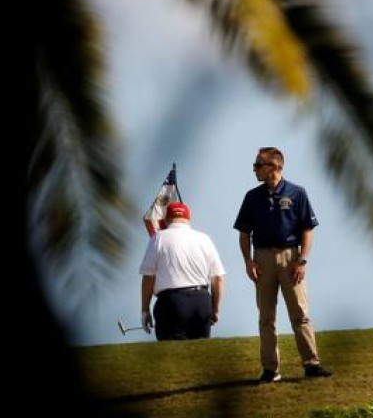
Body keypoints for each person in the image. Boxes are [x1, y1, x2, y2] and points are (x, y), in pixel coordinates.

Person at [233, 146, 333, 383]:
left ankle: (311, 364)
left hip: (291, 258)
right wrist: (248, 261)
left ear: (275, 166)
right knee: (266, 316)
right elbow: (244, 233)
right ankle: (270, 370)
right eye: (255, 164)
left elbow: (307, 229)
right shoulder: (252, 197)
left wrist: (302, 260)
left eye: (259, 164)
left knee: (300, 313)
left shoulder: (297, 193)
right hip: (262, 259)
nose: (255, 169)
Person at [139, 201, 226, 341]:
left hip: (172, 304)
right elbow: (218, 278)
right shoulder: (204, 239)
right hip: (202, 302)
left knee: (173, 357)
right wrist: (214, 309)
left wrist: (144, 310)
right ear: (188, 219)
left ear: (166, 219)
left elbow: (148, 278)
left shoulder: (158, 238)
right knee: (200, 355)